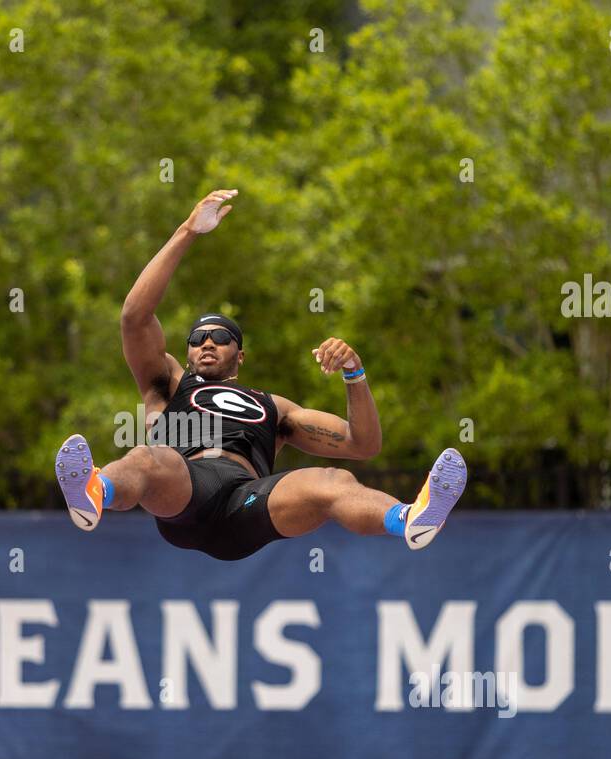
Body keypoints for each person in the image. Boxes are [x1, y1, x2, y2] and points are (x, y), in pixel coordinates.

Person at [55, 188, 466, 561]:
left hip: (245, 505)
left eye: (220, 335)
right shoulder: (168, 383)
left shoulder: (274, 407)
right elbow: (134, 317)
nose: (207, 342)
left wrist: (354, 373)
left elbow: (363, 443)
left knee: (333, 479)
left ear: (241, 354)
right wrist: (188, 230)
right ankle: (95, 492)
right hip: (186, 493)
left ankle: (410, 519)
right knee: (148, 457)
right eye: (198, 337)